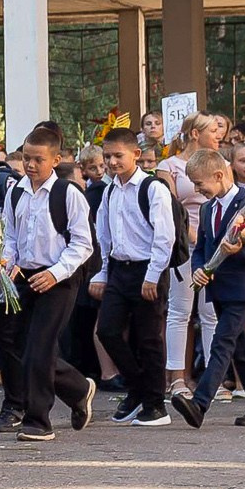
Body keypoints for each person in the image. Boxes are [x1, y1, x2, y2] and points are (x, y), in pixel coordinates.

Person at [0, 123, 97, 440]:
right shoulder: (16, 192)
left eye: (38, 159)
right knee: (21, 345)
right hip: (24, 276)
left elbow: (83, 244)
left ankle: (38, 420)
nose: (31, 166)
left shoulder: (68, 194)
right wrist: (5, 260)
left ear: (56, 160)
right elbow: (11, 235)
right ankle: (78, 388)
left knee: (41, 347)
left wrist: (55, 273)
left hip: (59, 278)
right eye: (27, 158)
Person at [174, 151, 245, 428]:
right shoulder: (207, 209)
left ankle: (200, 403)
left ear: (218, 176)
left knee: (222, 342)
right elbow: (203, 248)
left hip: (242, 289)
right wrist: (199, 267)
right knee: (239, 349)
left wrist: (240, 251)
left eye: (199, 183)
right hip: (217, 289)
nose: (196, 190)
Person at [89, 127, 180, 427]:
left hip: (148, 269)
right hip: (119, 269)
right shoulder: (110, 190)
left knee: (148, 338)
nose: (112, 162)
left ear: (136, 155)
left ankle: (155, 404)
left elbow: (164, 236)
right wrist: (102, 272)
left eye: (118, 156)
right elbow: (103, 234)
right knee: (108, 331)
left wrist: (153, 275)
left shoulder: (152, 188)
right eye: (107, 156)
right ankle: (139, 388)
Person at [160, 114, 226, 400]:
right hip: (185, 244)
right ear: (194, 134)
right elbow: (171, 205)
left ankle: (214, 380)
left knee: (211, 311)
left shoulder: (219, 163)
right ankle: (176, 377)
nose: (219, 135)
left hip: (216, 242)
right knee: (179, 310)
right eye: (213, 130)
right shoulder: (168, 166)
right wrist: (191, 234)